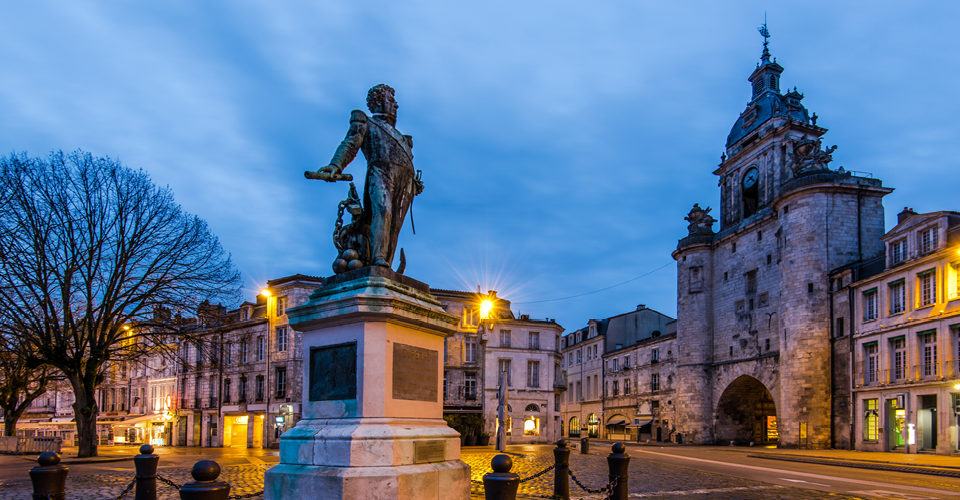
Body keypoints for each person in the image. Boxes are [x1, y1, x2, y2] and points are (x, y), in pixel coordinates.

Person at [307, 84, 423, 268]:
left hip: (406, 182)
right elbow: (351, 143)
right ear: (377, 102)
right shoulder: (365, 121)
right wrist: (336, 164)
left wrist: (415, 184)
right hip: (380, 172)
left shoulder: (403, 138)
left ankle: (386, 266)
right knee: (383, 211)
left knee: (395, 225)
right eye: (391, 101)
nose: (396, 106)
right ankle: (378, 258)